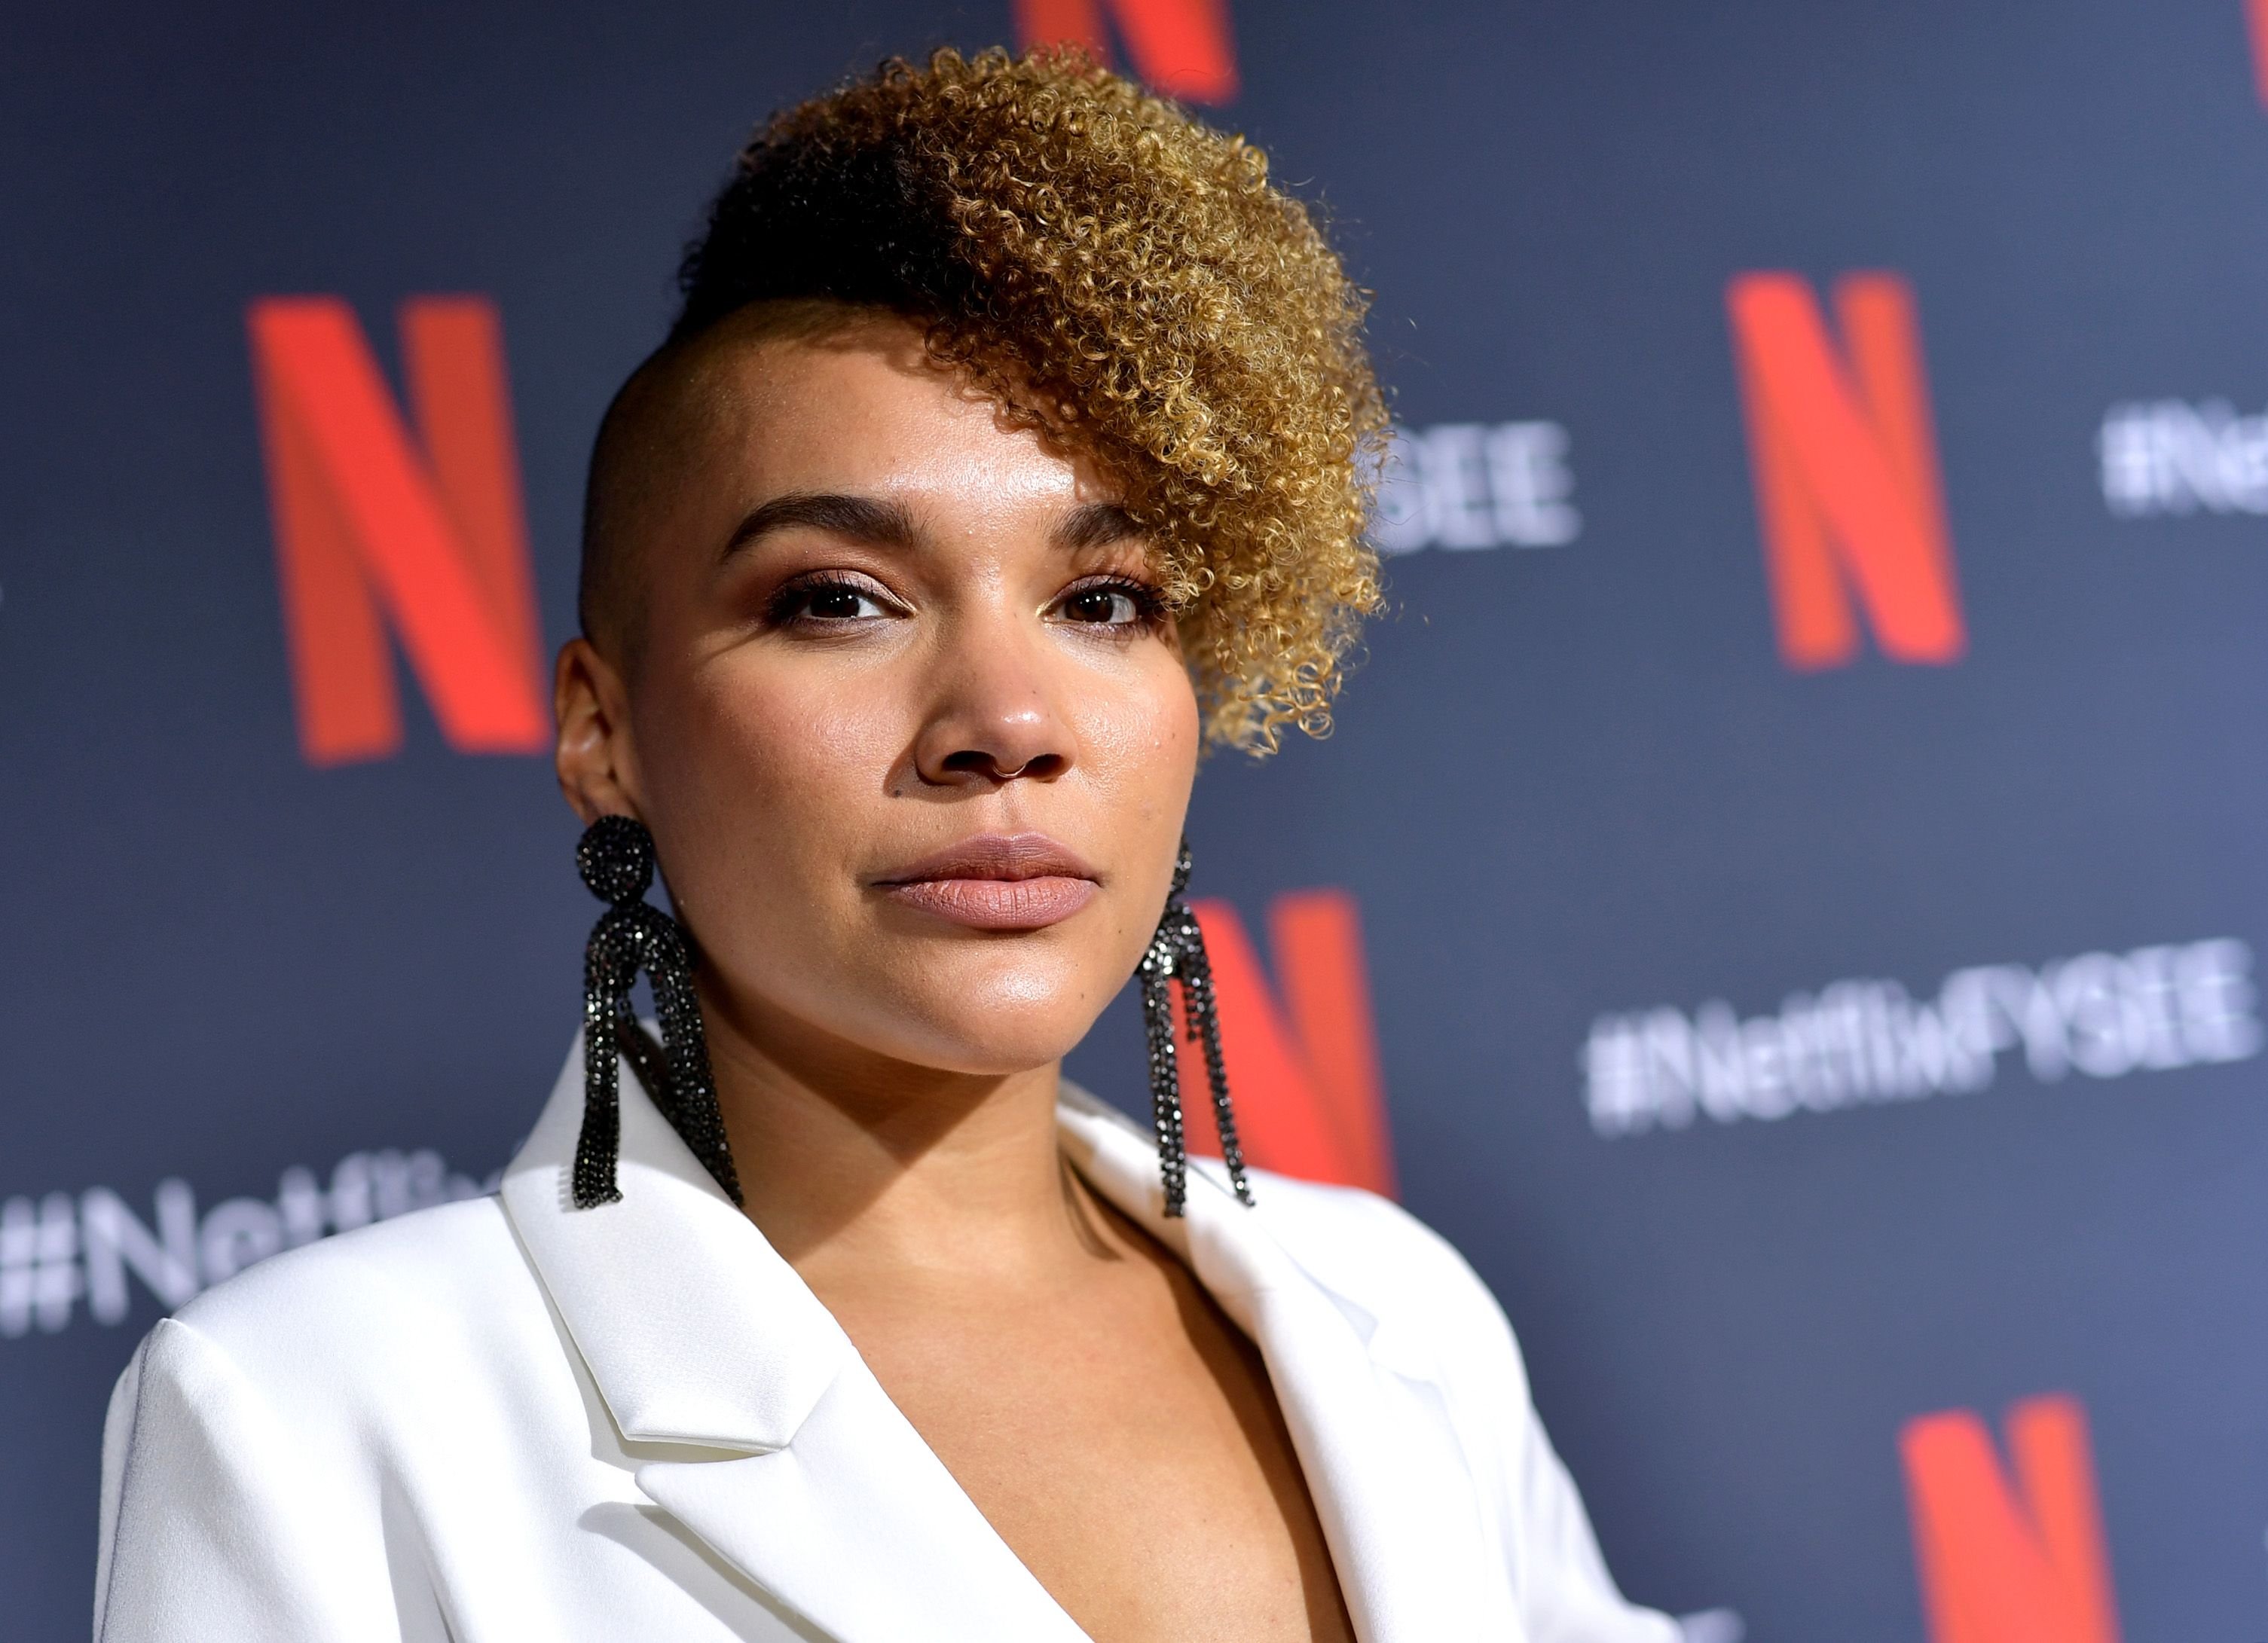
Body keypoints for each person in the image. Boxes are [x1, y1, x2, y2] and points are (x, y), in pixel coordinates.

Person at [94, 47, 1677, 1643]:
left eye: (1102, 601)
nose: (1005, 714)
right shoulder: (315, 1417)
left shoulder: (1401, 1314)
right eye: (836, 598)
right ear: (603, 732)